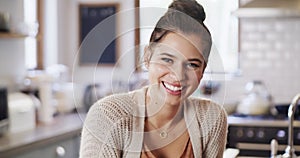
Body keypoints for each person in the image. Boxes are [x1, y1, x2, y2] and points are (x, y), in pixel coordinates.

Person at [79, 0, 228, 157]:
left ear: (203, 70)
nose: (178, 75)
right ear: (148, 56)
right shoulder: (107, 116)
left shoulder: (211, 117)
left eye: (192, 64)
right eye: (167, 60)